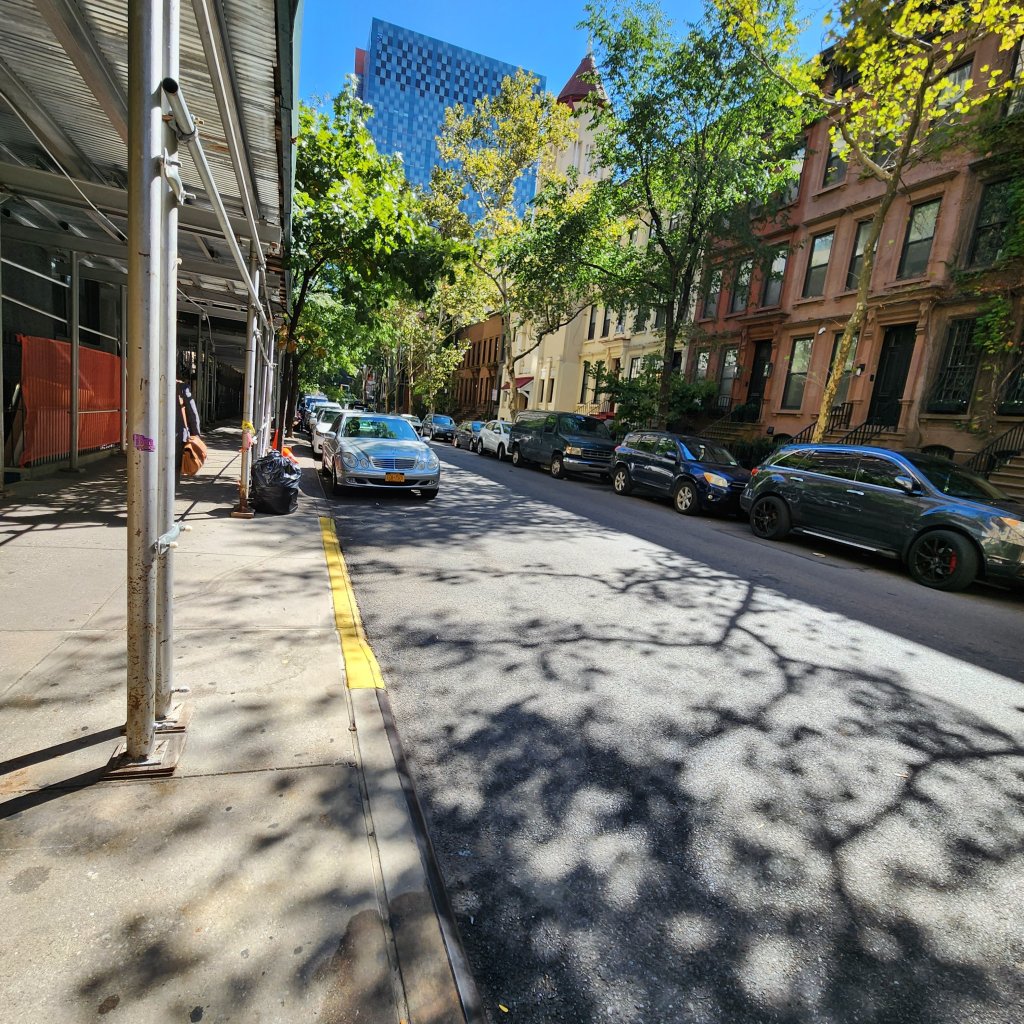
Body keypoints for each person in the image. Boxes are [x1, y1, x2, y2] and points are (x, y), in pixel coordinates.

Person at [175, 378, 201, 485]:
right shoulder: (181, 387)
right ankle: (169, 492)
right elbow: (192, 413)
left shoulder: (152, 384)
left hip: (153, 436)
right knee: (174, 469)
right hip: (178, 436)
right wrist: (196, 435)